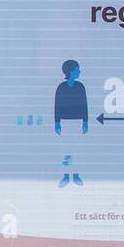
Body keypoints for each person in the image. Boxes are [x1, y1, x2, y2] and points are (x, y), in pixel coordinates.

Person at [54, 59, 89, 187]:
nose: (79, 71)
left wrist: (85, 121)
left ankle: (76, 175)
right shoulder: (61, 88)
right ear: (70, 72)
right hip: (64, 122)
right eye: (77, 69)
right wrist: (57, 122)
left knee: (77, 150)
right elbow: (57, 105)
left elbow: (85, 104)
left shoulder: (80, 86)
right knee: (66, 151)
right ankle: (65, 176)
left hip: (78, 122)